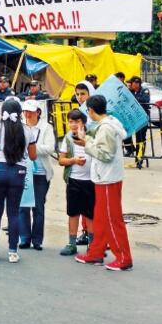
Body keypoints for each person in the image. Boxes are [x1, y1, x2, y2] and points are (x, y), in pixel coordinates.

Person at [75, 95, 133, 271]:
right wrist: (88, 140)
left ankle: (123, 257)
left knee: (111, 219)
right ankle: (96, 252)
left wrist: (86, 143)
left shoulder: (106, 128)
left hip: (107, 177)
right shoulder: (109, 123)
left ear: (91, 110)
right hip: (106, 177)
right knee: (100, 218)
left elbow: (105, 154)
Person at [0, 98, 37, 263]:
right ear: (20, 113)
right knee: (13, 213)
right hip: (18, 172)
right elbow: (33, 155)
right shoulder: (27, 130)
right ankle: (13, 252)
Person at [18, 99, 55, 250]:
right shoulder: (20, 127)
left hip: (40, 172)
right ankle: (24, 238)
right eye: (25, 111)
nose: (27, 114)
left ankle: (37, 240)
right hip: (23, 171)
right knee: (23, 206)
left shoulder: (46, 127)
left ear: (38, 112)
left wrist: (32, 147)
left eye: (31, 111)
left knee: (38, 207)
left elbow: (50, 148)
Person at [58, 109, 94, 256]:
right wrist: (74, 160)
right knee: (73, 213)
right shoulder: (68, 138)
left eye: (77, 121)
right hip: (73, 180)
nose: (73, 125)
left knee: (90, 214)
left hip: (91, 180)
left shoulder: (92, 136)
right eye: (71, 121)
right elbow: (61, 160)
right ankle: (71, 244)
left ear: (83, 123)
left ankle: (93, 245)